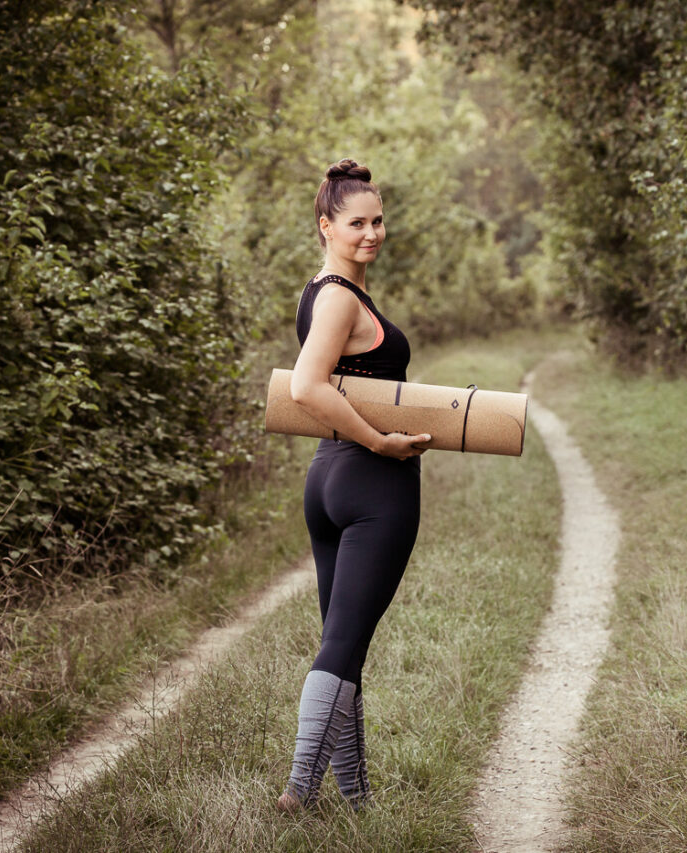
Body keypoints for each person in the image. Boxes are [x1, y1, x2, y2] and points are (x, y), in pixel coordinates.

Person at [277, 159, 430, 812]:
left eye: (378, 220)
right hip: (371, 482)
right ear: (325, 226)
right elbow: (305, 386)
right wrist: (380, 441)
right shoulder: (340, 296)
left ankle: (356, 797)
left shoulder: (319, 292)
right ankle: (299, 792)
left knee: (344, 644)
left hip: (327, 479)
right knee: (343, 644)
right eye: (357, 223)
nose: (372, 233)